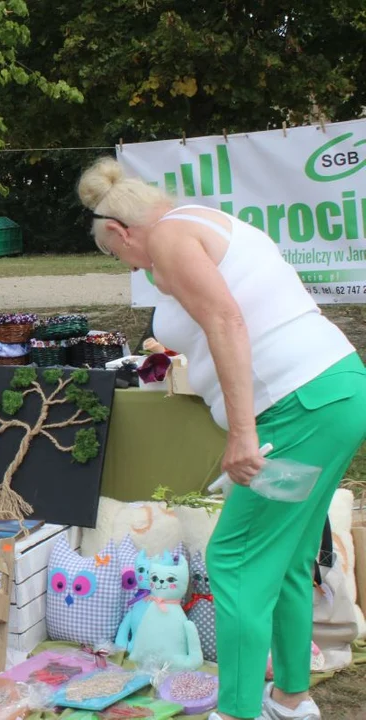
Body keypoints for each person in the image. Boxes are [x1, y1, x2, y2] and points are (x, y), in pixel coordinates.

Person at [77, 157, 366, 720]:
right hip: (334, 395)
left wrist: (242, 434)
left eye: (119, 257)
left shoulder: (168, 238)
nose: (134, 268)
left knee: (233, 559)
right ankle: (290, 699)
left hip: (296, 411)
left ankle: (236, 710)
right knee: (285, 559)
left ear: (120, 231)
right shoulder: (201, 220)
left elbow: (227, 323)